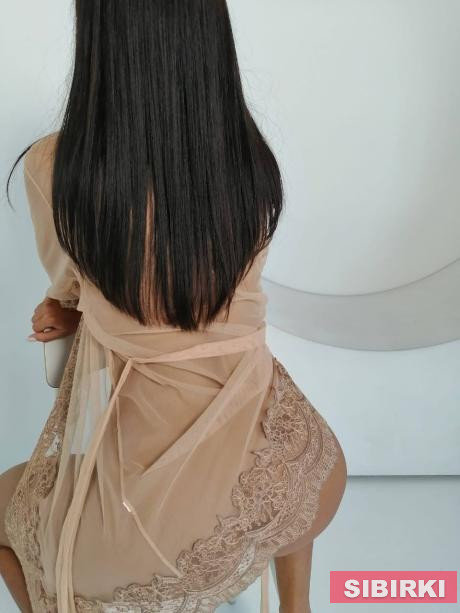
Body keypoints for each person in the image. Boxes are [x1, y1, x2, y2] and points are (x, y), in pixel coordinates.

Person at [0, 1, 347, 612]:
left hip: (168, 531)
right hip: (303, 468)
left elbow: (73, 289)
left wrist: (71, 311)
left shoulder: (56, 169)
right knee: (269, 474)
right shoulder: (248, 159)